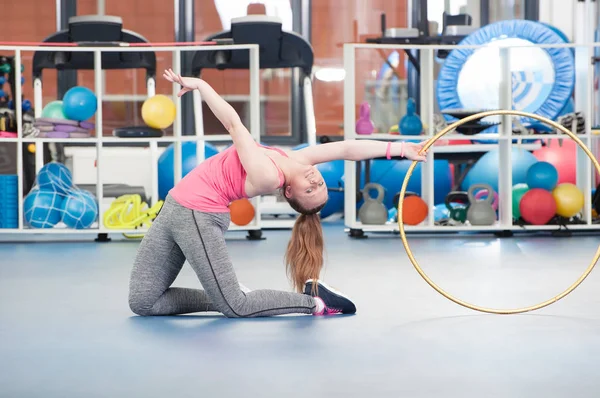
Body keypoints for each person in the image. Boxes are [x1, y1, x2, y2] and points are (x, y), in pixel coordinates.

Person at [128, 68, 428, 318]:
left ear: (287, 190)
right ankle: (228, 292)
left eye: (309, 189)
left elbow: (234, 124)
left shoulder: (268, 175)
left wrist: (202, 86)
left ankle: (317, 303)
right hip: (174, 205)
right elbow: (347, 148)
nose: (315, 179)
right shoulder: (298, 160)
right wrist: (401, 148)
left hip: (198, 214)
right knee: (143, 302)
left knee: (237, 307)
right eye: (319, 184)